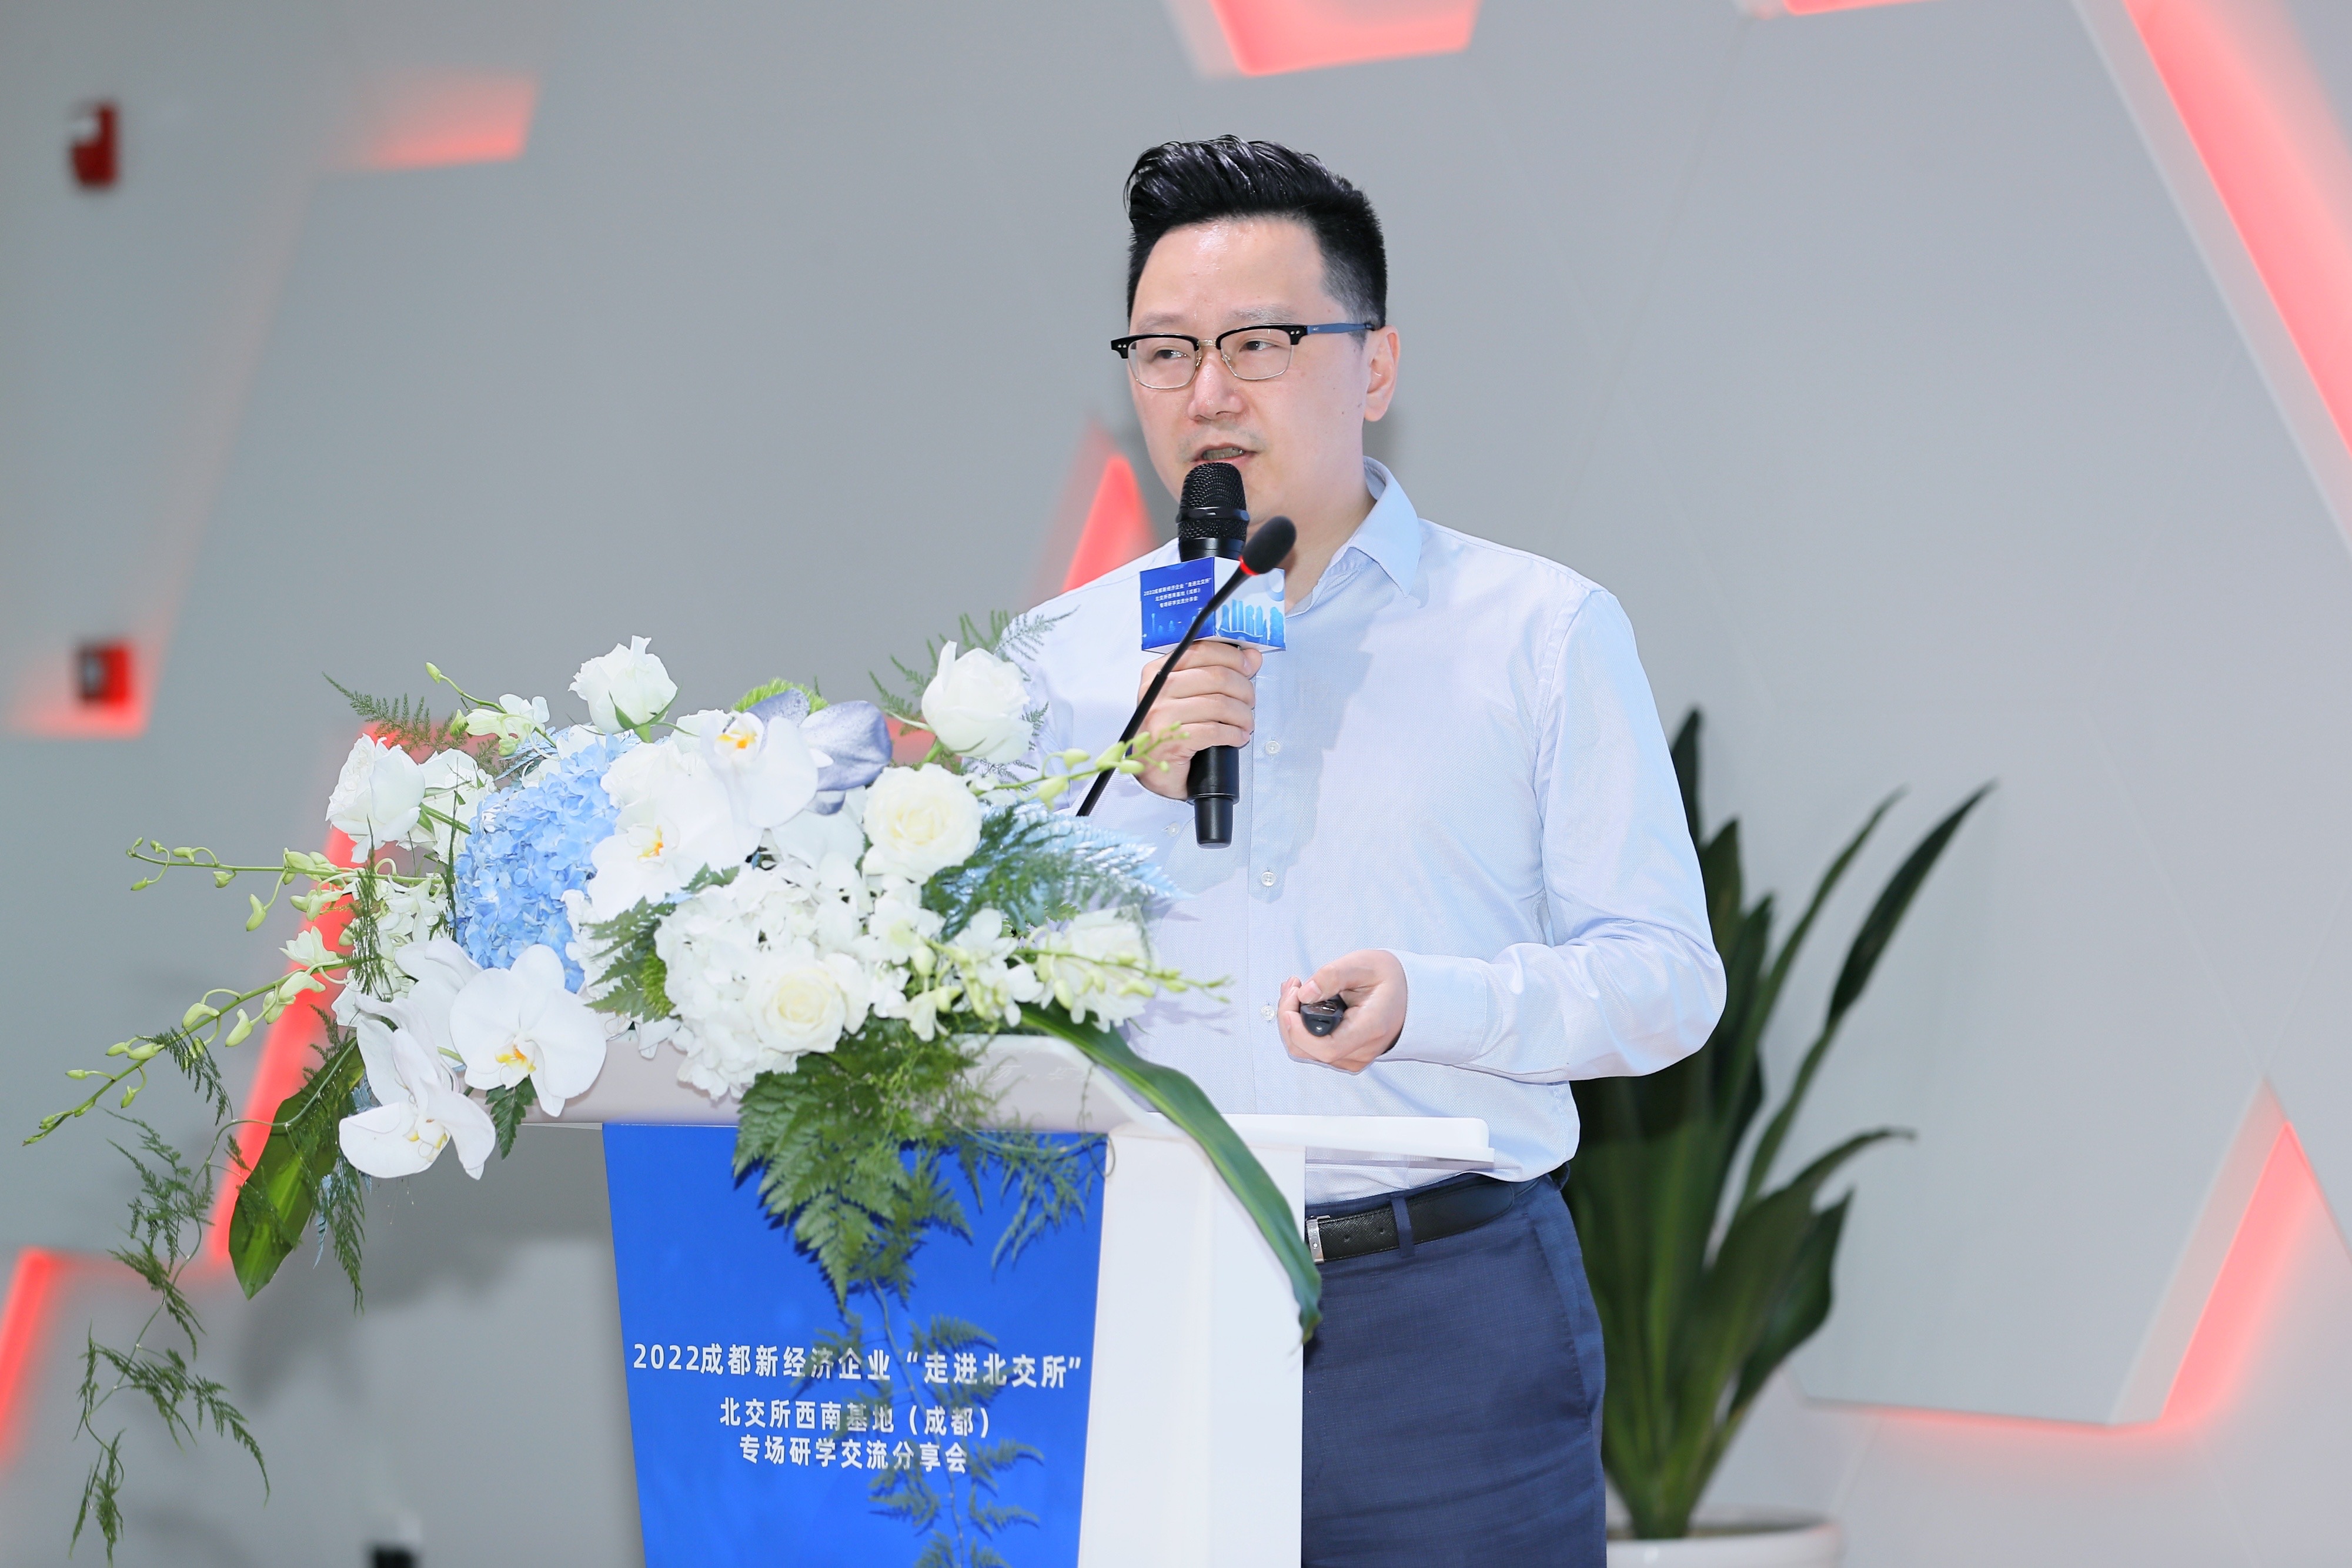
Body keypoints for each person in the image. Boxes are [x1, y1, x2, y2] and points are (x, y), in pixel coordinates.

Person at [1018, 138, 1725, 1567]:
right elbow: (966, 985)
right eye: (1164, 350)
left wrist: (1437, 1000)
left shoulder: (1536, 631)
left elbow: (1666, 980)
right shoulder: (1056, 658)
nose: (1206, 391)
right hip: (1133, 1298)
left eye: (1257, 342)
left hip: (1437, 1318)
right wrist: (1123, 780)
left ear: (1375, 365)